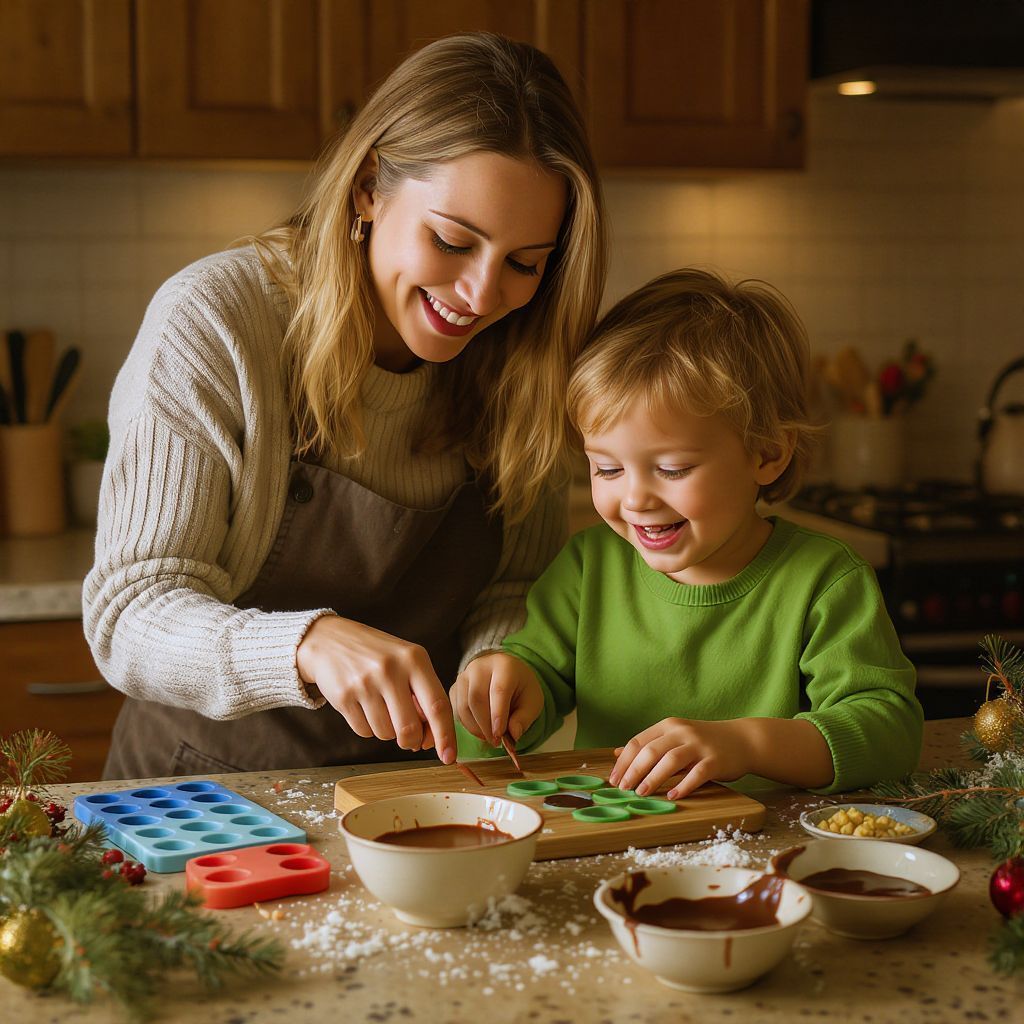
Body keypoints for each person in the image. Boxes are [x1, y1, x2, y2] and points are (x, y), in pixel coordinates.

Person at [84, 32, 606, 779]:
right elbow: (131, 614)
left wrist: (502, 659)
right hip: (197, 790)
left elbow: (514, 583)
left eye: (524, 263)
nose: (483, 296)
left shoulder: (526, 350)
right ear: (368, 188)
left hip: (410, 790)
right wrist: (307, 644)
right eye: (453, 241)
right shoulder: (216, 320)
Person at [454, 268, 923, 797]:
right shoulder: (590, 565)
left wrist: (745, 744)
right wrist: (509, 684)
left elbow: (888, 731)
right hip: (617, 846)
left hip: (772, 856)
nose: (634, 500)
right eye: (607, 469)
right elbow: (538, 673)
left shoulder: (825, 580)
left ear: (767, 453)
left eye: (673, 469)